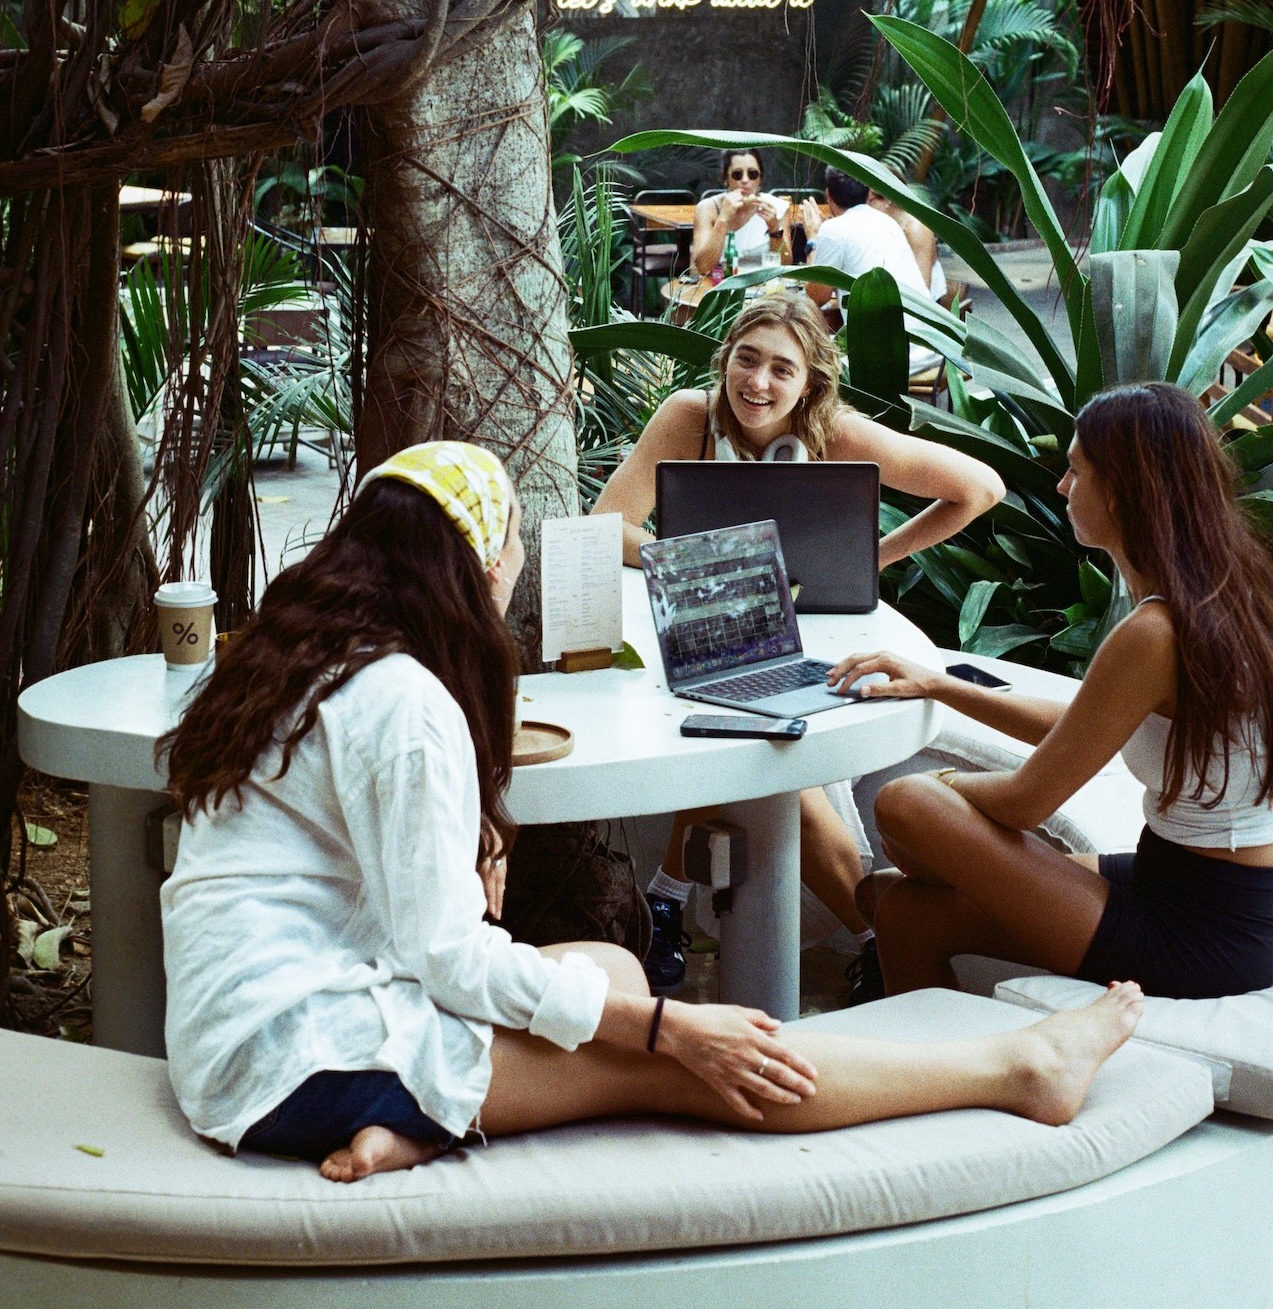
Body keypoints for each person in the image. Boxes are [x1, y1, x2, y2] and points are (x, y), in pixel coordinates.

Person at [158, 438, 1140, 1183]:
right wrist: (670, 1030)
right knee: (705, 1060)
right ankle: (1017, 1068)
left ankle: (416, 1125)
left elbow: (396, 914)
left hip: (252, 1023)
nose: (514, 567)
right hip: (296, 1056)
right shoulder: (402, 698)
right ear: (481, 565)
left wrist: (613, 991)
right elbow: (449, 960)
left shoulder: (294, 666)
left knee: (612, 968)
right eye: (511, 544)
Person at [591, 291, 1004, 991]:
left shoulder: (837, 433)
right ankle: (875, 946)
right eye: (745, 360)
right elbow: (608, 526)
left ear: (810, 382)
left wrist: (874, 557)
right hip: (710, 632)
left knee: (773, 767)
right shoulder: (690, 418)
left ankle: (667, 900)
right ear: (724, 359)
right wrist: (714, 566)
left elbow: (979, 488)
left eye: (781, 369)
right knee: (741, 742)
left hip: (816, 636)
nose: (757, 382)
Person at [831, 383, 1273, 999]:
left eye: (1075, 470)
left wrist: (945, 792)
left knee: (906, 804)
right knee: (900, 907)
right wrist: (938, 685)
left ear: (1120, 492)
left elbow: (1024, 804)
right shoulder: (1221, 591)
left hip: (1209, 931)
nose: (1063, 488)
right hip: (1188, 884)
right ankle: (935, 1055)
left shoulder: (1157, 630)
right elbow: (1087, 724)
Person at [800, 166, 940, 365]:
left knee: (803, 357)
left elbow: (815, 298)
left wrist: (813, 238)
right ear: (869, 194)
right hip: (928, 349)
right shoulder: (887, 222)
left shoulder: (832, 229)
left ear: (828, 195)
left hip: (891, 360)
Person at [692, 150, 788, 277]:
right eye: (737, 174)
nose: (745, 180)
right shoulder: (708, 208)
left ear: (760, 179)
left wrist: (774, 230)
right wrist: (723, 219)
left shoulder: (776, 207)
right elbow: (703, 267)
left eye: (752, 174)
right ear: (726, 178)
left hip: (763, 283)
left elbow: (786, 264)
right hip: (721, 283)